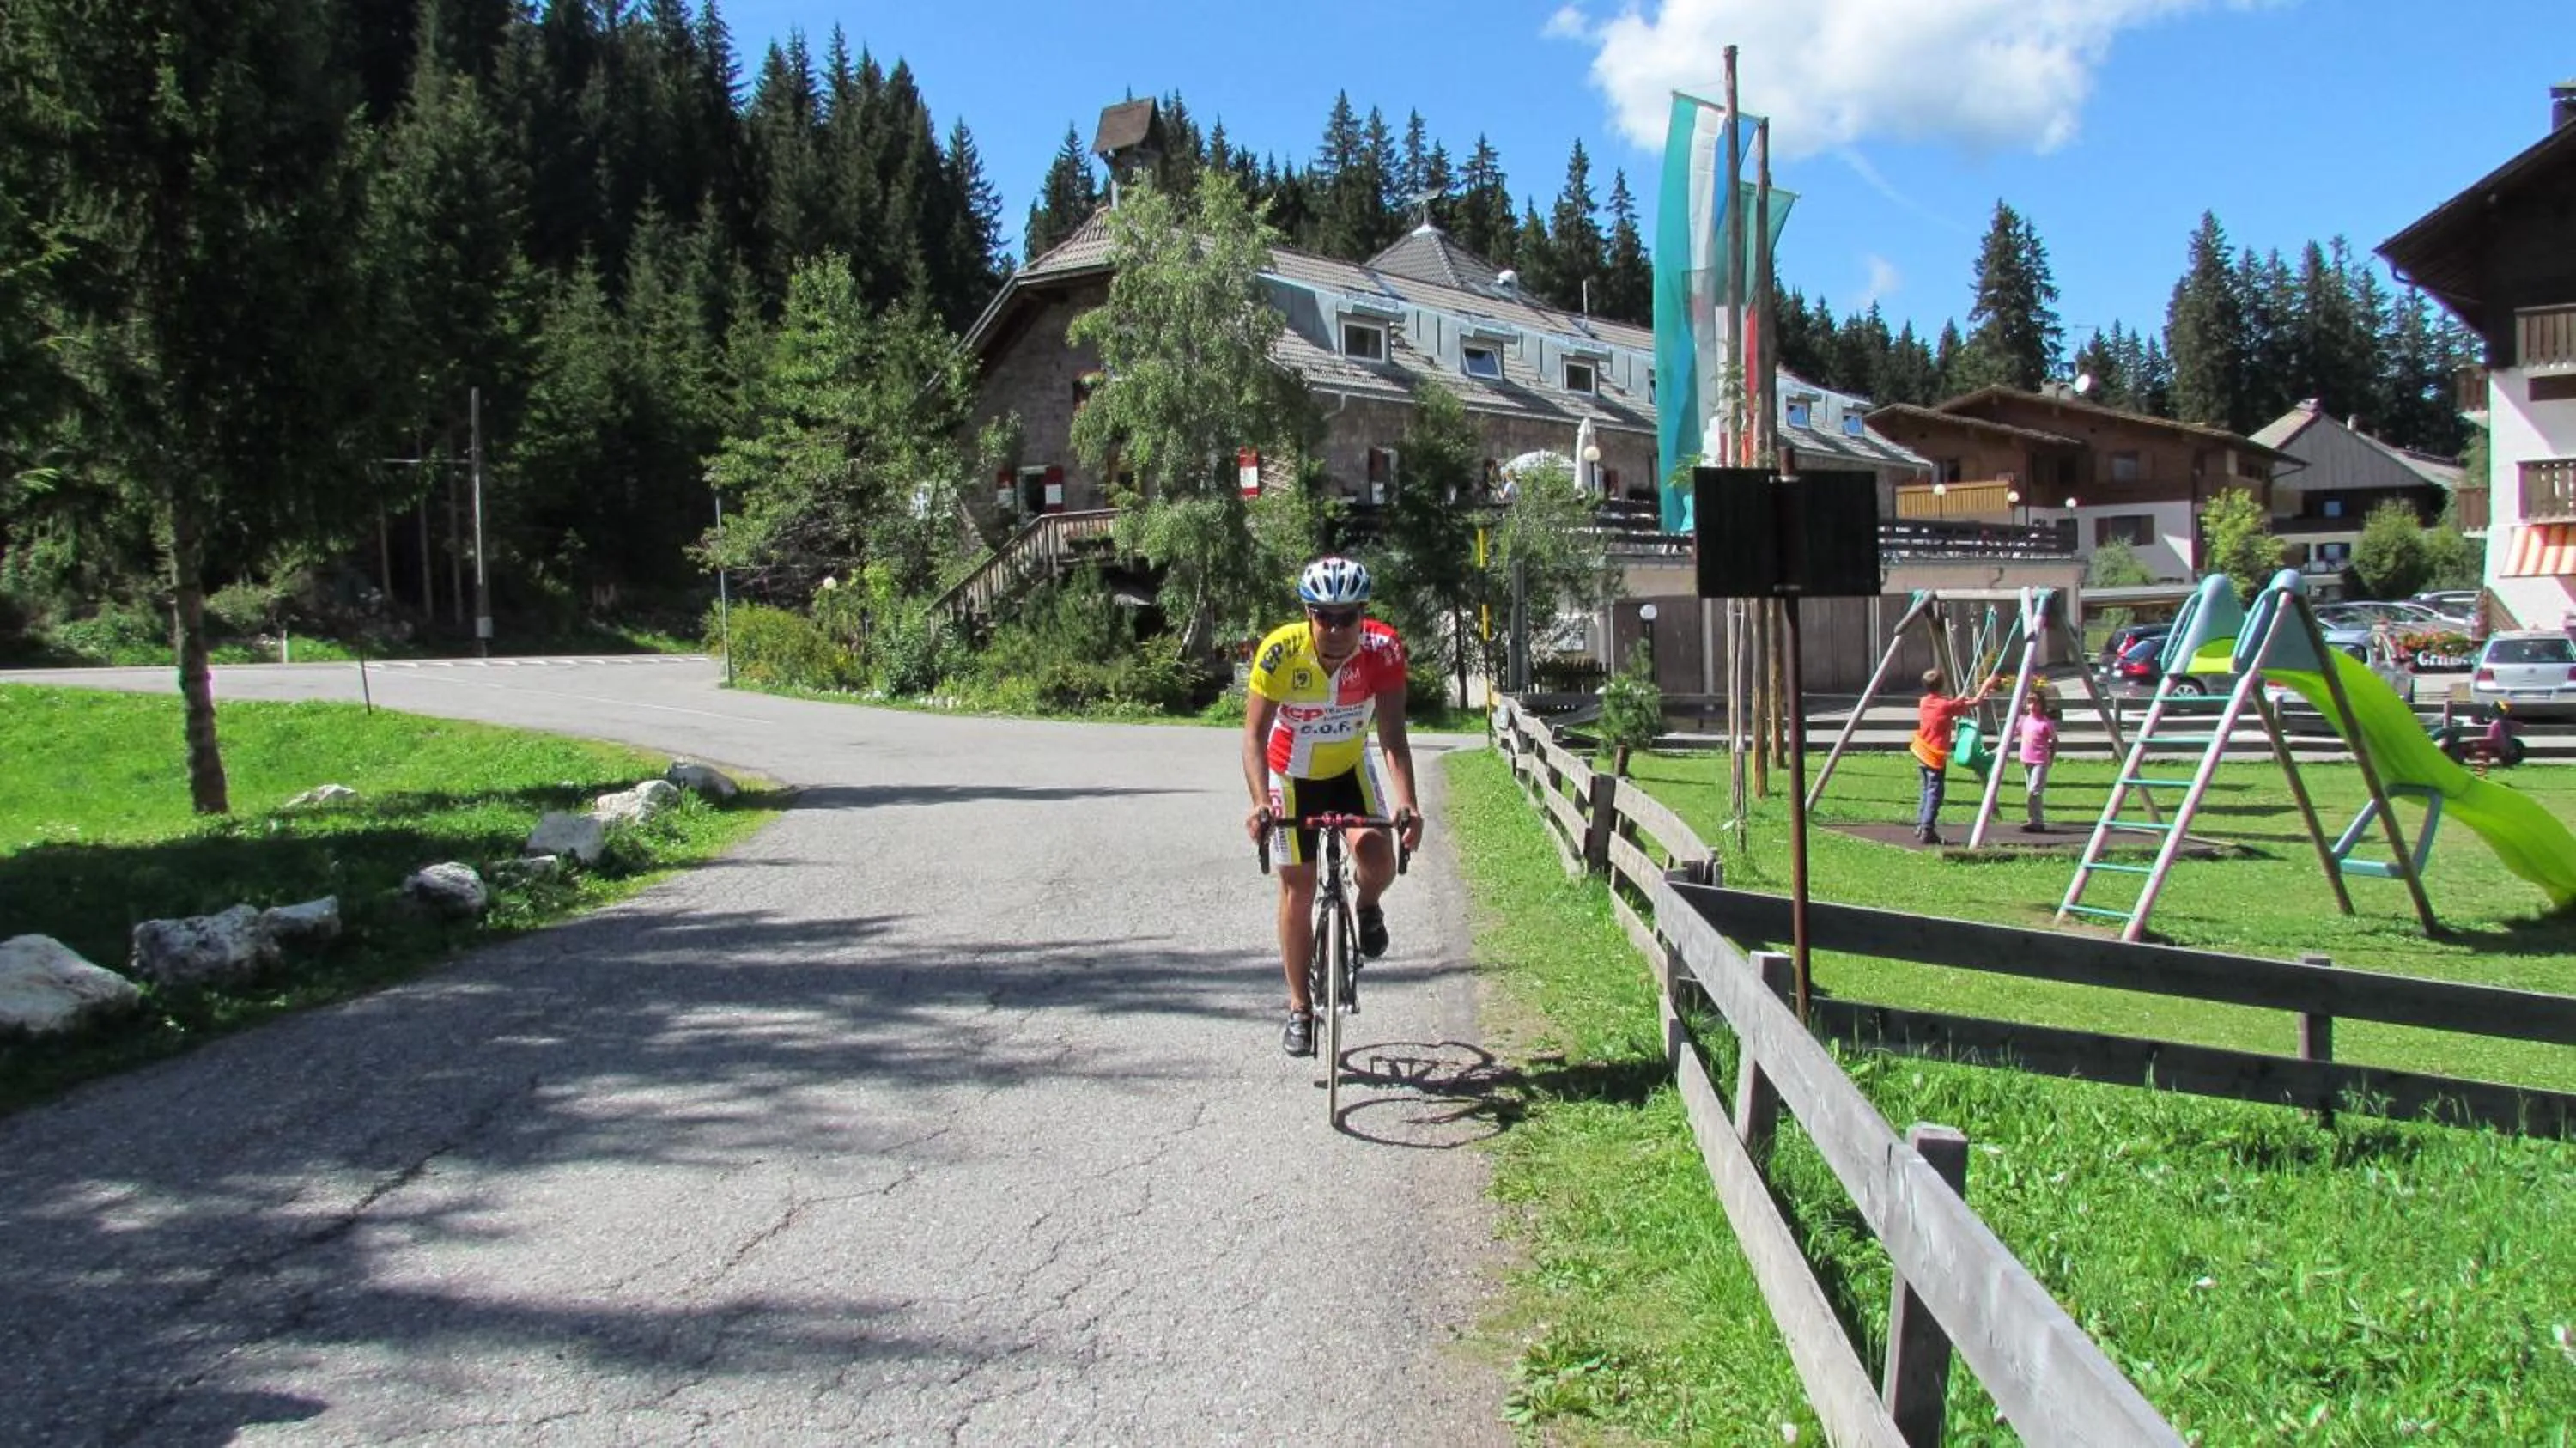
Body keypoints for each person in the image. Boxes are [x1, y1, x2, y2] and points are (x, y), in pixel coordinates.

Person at [1242, 557, 1424, 1056]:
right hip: (1290, 776)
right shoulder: (1280, 652)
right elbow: (1254, 737)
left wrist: (1407, 803)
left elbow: (1392, 734)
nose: (1338, 628)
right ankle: (1300, 1008)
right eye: (1326, 616)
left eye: (1349, 616)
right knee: (1297, 889)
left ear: (1364, 614)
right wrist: (1260, 803)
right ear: (1308, 613)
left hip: (1348, 770)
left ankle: (1366, 906)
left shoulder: (1382, 649)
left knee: (1378, 857)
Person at [1908, 667, 1993, 846]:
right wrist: (1986, 685)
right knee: (1935, 792)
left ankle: (1920, 825)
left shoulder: (1924, 702)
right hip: (1934, 755)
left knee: (1926, 790)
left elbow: (1948, 705)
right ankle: (1928, 829)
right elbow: (1975, 703)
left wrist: (1958, 700)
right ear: (1943, 685)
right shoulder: (1946, 706)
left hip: (1921, 751)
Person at [2014, 688, 2060, 831]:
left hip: (2040, 760)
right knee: (2030, 791)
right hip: (2026, 759)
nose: (2032, 706)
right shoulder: (2024, 721)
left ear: (2041, 704)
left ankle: (2038, 821)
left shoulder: (2045, 723)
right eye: (2029, 702)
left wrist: (2051, 757)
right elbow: (2014, 733)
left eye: (2036, 703)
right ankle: (2034, 820)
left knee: (2034, 791)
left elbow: (2054, 741)